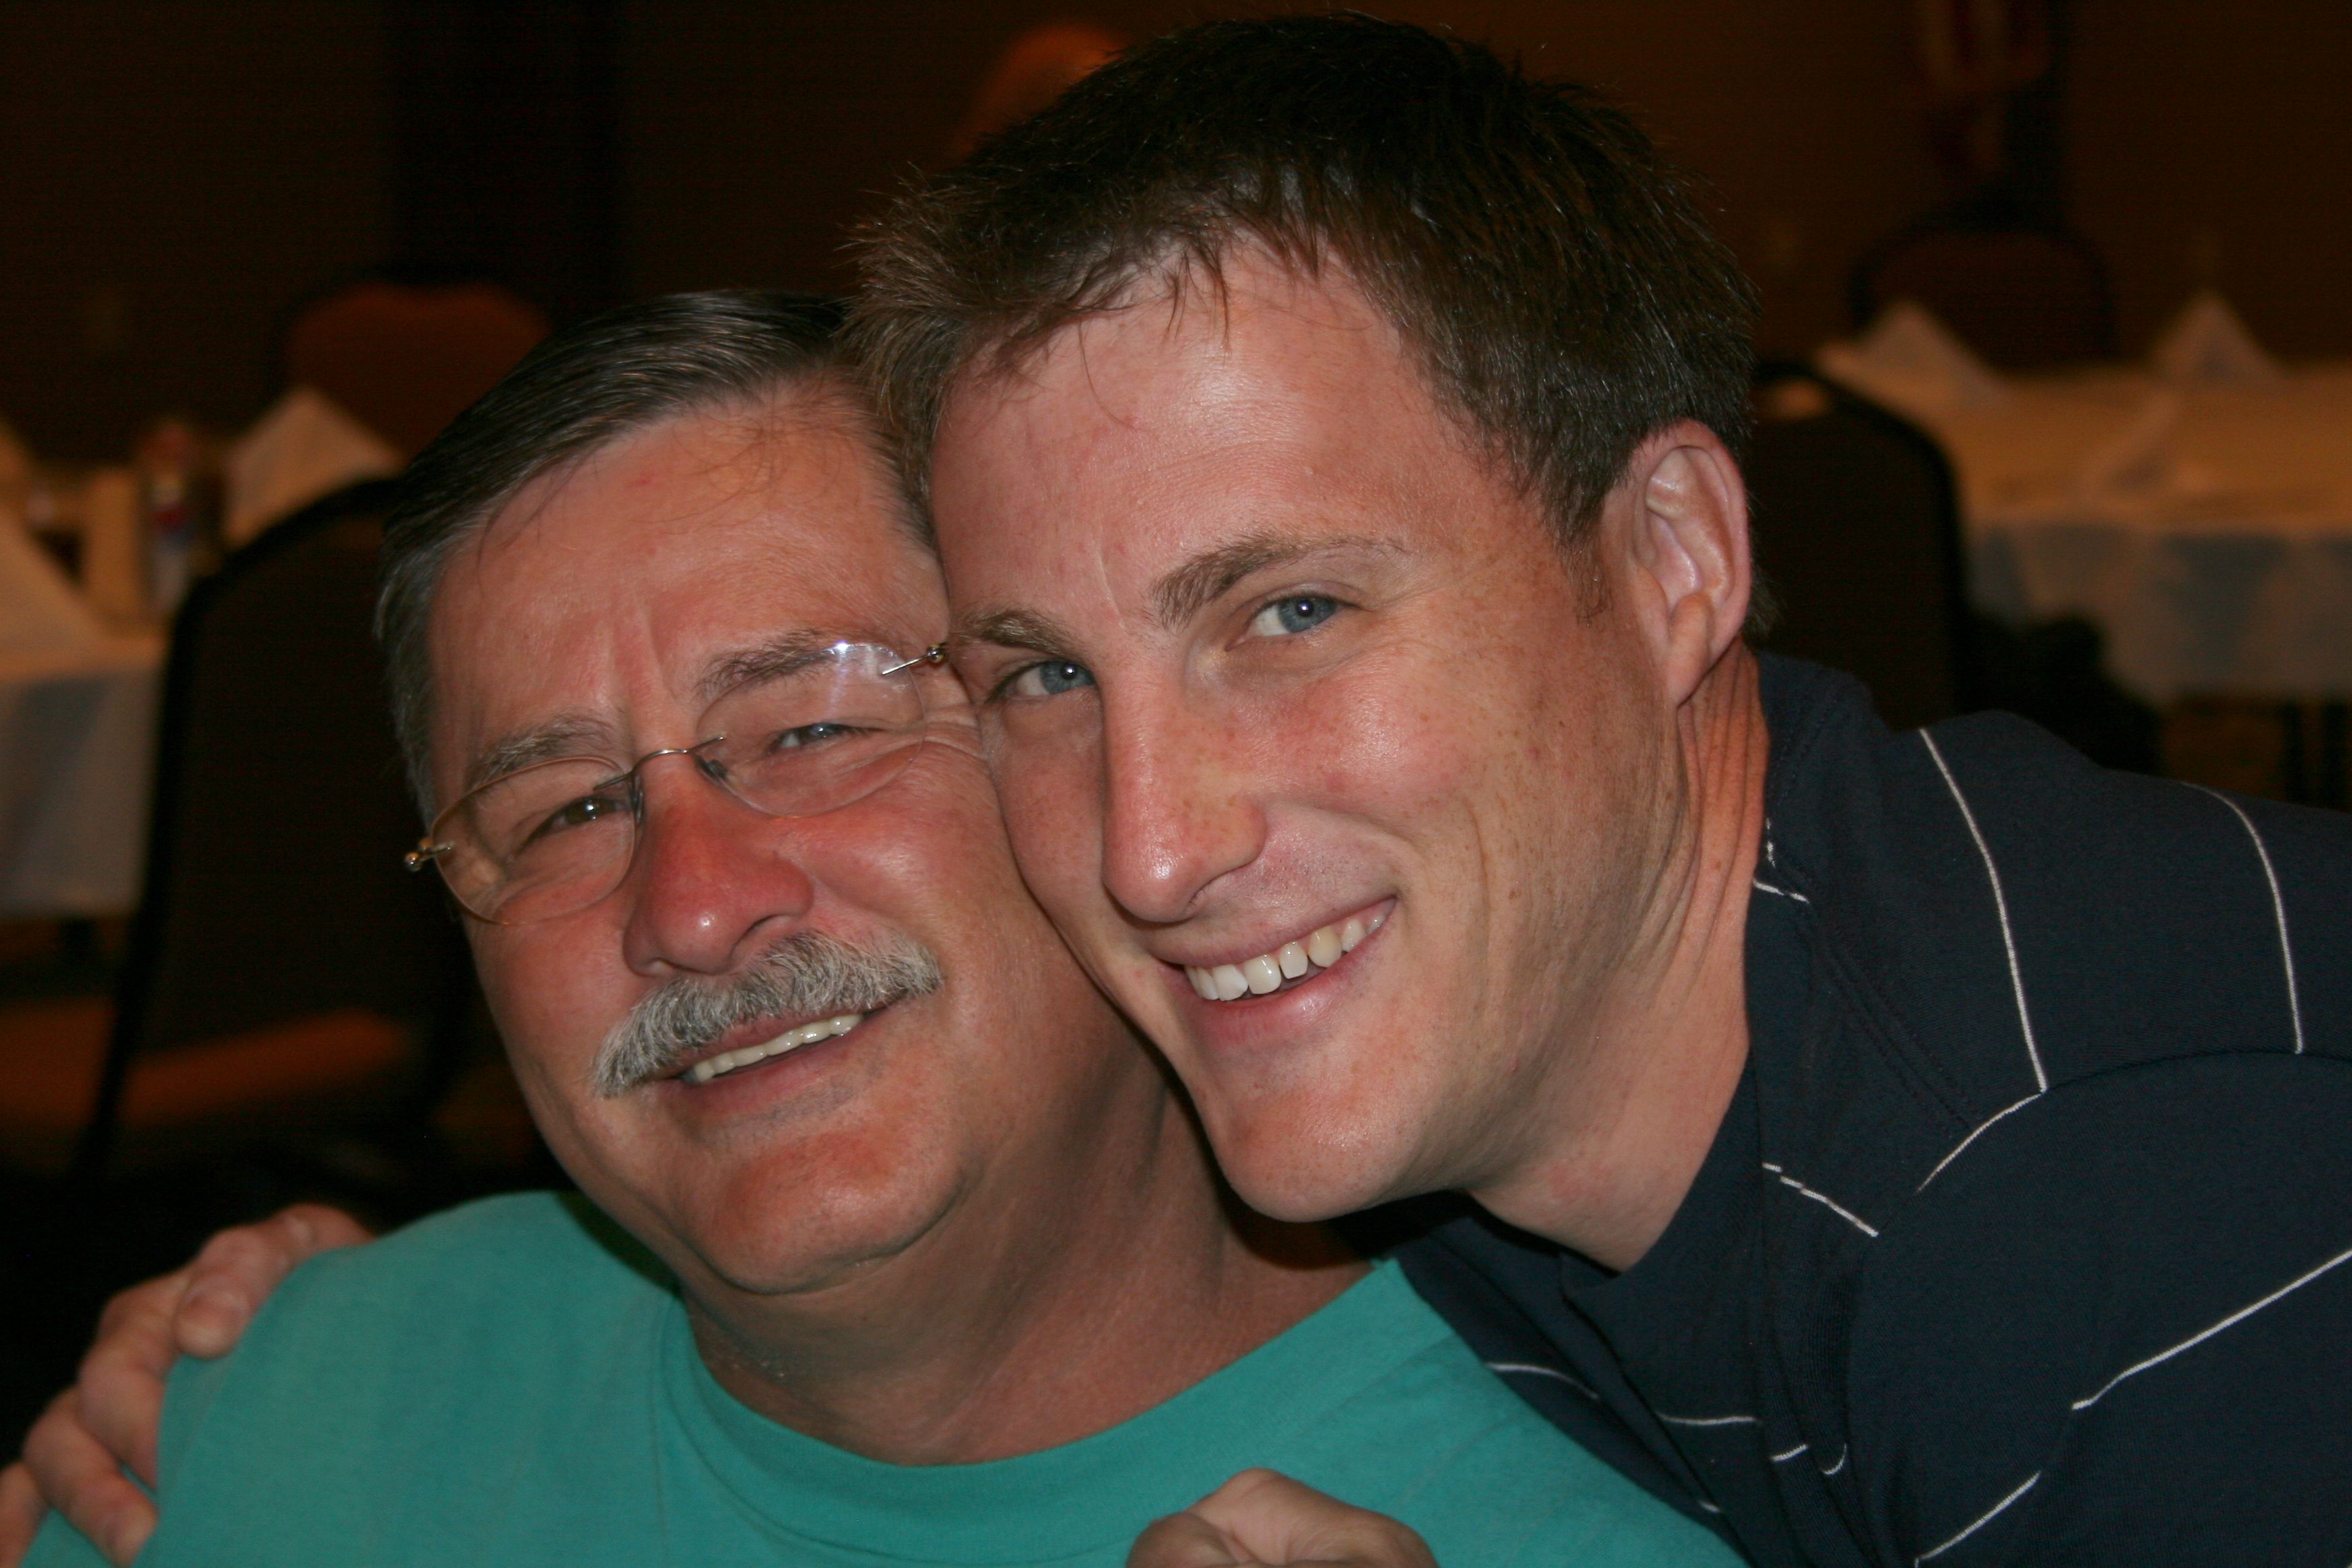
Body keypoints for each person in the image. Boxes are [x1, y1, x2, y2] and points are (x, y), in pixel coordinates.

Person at [846, 15, 2352, 1567]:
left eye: (1292, 613)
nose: (1150, 850)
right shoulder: (1507, 1067)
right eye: (1047, 676)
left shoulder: (2100, 1193)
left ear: (1672, 561)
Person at [3, 292, 1730, 1568]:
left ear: (1078, 737)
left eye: (813, 727)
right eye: (562, 811)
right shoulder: (237, 1428)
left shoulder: (1613, 1500)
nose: (691, 905)